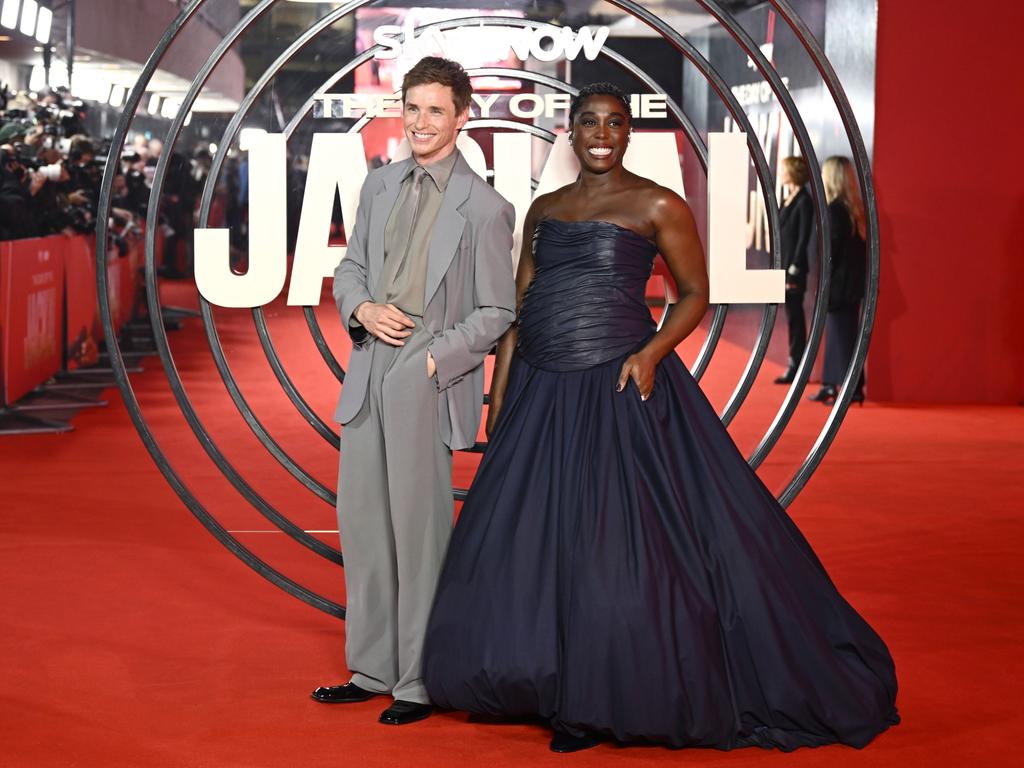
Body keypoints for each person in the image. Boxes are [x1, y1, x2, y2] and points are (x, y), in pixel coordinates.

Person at [421, 83, 898, 753]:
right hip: (540, 387)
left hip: (619, 385)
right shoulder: (546, 208)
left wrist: (651, 353)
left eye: (613, 123)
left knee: (614, 543)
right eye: (588, 121)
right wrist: (500, 400)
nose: (600, 133)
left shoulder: (658, 203)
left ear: (628, 132)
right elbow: (519, 306)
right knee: (534, 538)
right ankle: (548, 678)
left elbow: (696, 293)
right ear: (570, 129)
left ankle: (607, 685)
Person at [313, 57, 516, 727]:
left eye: (436, 109)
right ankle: (370, 668)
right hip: (368, 371)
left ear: (462, 116)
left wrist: (435, 362)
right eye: (412, 107)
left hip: (425, 382)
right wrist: (362, 310)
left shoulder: (486, 208)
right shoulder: (377, 188)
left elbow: (496, 310)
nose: (421, 121)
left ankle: (418, 680)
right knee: (364, 528)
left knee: (419, 535)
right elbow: (350, 270)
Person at [808, 156, 867, 405]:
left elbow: (832, 254)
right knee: (838, 336)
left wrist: (824, 286)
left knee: (842, 337)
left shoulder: (835, 212)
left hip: (839, 287)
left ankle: (850, 389)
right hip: (850, 287)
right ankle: (831, 384)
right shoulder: (852, 211)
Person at [775, 155, 813, 384]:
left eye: (784, 169)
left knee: (795, 318)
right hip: (784, 266)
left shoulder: (804, 201)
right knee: (791, 316)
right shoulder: (789, 198)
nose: (780, 172)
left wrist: (794, 268)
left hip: (794, 270)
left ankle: (797, 365)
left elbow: (803, 238)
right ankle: (794, 362)